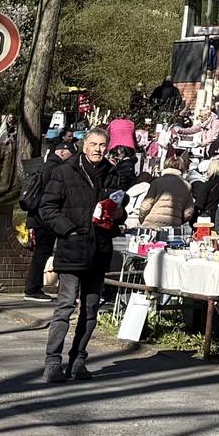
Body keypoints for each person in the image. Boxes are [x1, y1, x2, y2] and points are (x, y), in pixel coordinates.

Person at [37, 129, 130, 383]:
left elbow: (120, 207)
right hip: (72, 249)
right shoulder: (65, 172)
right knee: (65, 307)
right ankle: (53, 362)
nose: (98, 149)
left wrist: (117, 213)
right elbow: (47, 207)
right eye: (93, 144)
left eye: (102, 145)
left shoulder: (112, 174)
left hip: (99, 249)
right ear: (84, 146)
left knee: (90, 309)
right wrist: (68, 230)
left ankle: (78, 361)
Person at [20, 137, 75, 301]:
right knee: (42, 253)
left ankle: (33, 288)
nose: (71, 158)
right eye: (70, 154)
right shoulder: (56, 168)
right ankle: (33, 289)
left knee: (41, 253)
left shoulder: (44, 165)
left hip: (37, 216)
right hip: (44, 218)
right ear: (63, 151)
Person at [137, 152, 193, 235]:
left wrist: (142, 219)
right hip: (173, 226)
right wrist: (178, 220)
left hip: (152, 224)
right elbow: (188, 212)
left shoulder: (157, 182)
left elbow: (146, 205)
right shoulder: (186, 186)